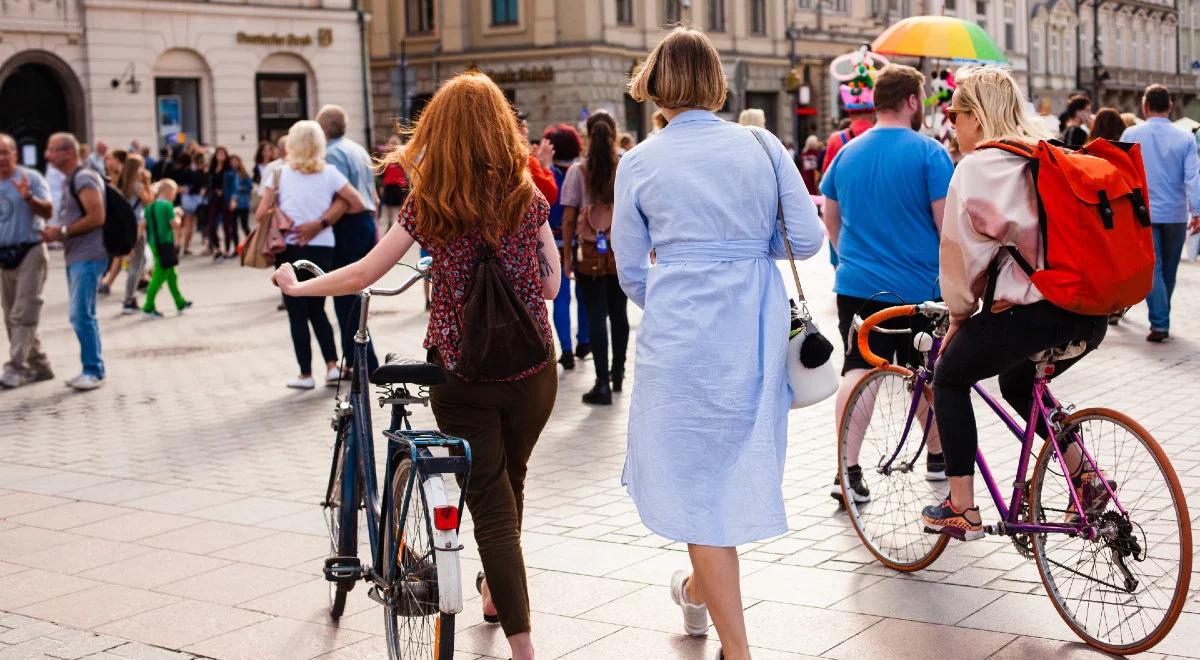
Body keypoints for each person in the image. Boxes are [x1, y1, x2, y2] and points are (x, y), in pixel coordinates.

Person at [272, 71, 560, 660]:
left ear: (441, 133)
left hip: (462, 376)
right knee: (509, 486)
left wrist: (297, 287)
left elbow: (362, 275)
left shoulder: (431, 203)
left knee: (493, 505)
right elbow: (552, 285)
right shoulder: (527, 196)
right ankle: (496, 594)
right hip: (534, 372)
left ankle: (524, 645)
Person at [613, 27, 825, 659]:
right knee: (721, 477)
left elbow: (630, 268)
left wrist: (680, 284)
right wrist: (745, 260)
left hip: (677, 335)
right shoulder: (760, 145)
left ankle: (726, 632)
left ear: (654, 83)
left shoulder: (641, 160)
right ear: (716, 81)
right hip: (752, 332)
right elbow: (808, 241)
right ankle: (712, 613)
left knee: (692, 483)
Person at [921, 65, 1109, 539]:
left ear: (977, 117)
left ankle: (961, 505)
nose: (951, 123)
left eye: (954, 112)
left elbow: (961, 258)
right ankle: (1083, 475)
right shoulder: (1053, 153)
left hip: (1032, 316)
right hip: (1089, 313)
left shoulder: (979, 167)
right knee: (1018, 384)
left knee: (949, 376)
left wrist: (960, 316)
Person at [820, 64, 954, 503]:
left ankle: (846, 470)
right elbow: (945, 225)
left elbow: (830, 216)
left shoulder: (846, 152)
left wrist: (848, 256)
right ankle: (938, 458)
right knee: (925, 374)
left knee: (858, 371)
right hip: (919, 290)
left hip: (857, 285)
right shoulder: (930, 154)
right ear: (913, 101)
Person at [259, 120, 364, 389]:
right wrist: (323, 221)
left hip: (289, 246)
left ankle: (305, 375)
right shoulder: (329, 173)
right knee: (318, 309)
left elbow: (261, 214)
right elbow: (356, 202)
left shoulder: (279, 174)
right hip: (323, 246)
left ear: (291, 144)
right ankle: (331, 366)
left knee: (296, 312)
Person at [1121, 84, 1200, 343]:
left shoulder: (1131, 133)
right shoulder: (1185, 138)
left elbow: (1119, 175)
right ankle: (1161, 319)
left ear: (1144, 106)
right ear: (1170, 106)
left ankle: (1160, 321)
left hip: (1142, 214)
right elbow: (1193, 177)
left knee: (1152, 269)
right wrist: (1197, 210)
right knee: (1168, 270)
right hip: (1176, 214)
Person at [562, 112, 628, 405]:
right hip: (620, 252)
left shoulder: (579, 171)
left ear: (588, 135)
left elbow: (568, 218)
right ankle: (618, 376)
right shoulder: (625, 166)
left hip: (588, 255)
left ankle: (601, 382)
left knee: (597, 315)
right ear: (615, 134)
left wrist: (566, 258)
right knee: (619, 314)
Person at [316, 104, 381, 376]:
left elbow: (343, 197)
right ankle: (359, 361)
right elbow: (372, 192)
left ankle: (361, 363)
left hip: (349, 224)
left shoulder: (331, 154)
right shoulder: (357, 149)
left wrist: (320, 223)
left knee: (345, 296)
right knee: (356, 296)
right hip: (366, 222)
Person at [42, 133, 107, 391]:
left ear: (68, 152)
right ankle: (90, 367)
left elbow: (97, 216)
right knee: (84, 315)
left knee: (80, 315)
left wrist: (63, 232)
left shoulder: (84, 177)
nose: (48, 155)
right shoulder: (73, 179)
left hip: (88, 255)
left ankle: (94, 370)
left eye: (53, 150)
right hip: (77, 255)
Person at [0, 133, 54, 388]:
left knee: (24, 312)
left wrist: (28, 198)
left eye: (4, 152)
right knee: (11, 314)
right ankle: (40, 365)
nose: (1, 158)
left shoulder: (30, 179)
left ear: (15, 154)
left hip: (30, 250)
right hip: (4, 256)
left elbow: (48, 211)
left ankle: (16, 367)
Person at [542, 123, 590, 369]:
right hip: (581, 242)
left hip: (554, 243)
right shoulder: (581, 171)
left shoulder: (547, 174)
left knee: (560, 299)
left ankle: (567, 350)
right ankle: (584, 340)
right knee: (583, 295)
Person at [141, 179, 191, 318]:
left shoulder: (150, 207)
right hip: (165, 243)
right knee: (159, 275)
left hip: (154, 243)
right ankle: (148, 306)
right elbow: (175, 225)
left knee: (171, 273)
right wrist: (178, 215)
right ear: (169, 192)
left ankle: (179, 301)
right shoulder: (167, 206)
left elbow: (143, 225)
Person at [115, 154, 154, 314]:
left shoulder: (121, 183)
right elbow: (149, 202)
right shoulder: (136, 185)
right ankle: (128, 299)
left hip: (125, 226)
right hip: (137, 226)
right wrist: (147, 182)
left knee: (139, 260)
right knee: (136, 263)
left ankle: (130, 297)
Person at [376, 136, 408, 239]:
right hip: (389, 184)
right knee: (389, 206)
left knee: (400, 207)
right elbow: (381, 172)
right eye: (392, 143)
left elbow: (406, 170)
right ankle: (390, 224)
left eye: (395, 143)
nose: (393, 145)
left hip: (399, 185)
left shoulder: (402, 156)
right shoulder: (386, 157)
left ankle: (400, 226)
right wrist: (381, 186)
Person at [206, 146, 232, 259]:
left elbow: (233, 186)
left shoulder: (229, 170)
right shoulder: (212, 169)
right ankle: (217, 248)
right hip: (214, 199)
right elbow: (209, 183)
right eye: (219, 154)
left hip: (225, 199)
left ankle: (226, 249)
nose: (221, 156)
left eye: (223, 154)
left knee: (226, 226)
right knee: (211, 225)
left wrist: (233, 198)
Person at [177, 151, 205, 255]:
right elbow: (199, 186)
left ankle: (179, 245)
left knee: (183, 225)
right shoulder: (197, 171)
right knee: (189, 225)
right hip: (193, 200)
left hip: (183, 199)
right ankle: (186, 247)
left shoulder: (181, 170)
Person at [225, 154, 253, 238]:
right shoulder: (228, 174)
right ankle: (236, 248)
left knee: (245, 226)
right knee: (233, 227)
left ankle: (250, 244)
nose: (234, 163)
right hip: (232, 204)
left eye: (235, 161)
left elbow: (249, 187)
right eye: (232, 161)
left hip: (243, 203)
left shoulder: (244, 173)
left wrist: (242, 188)